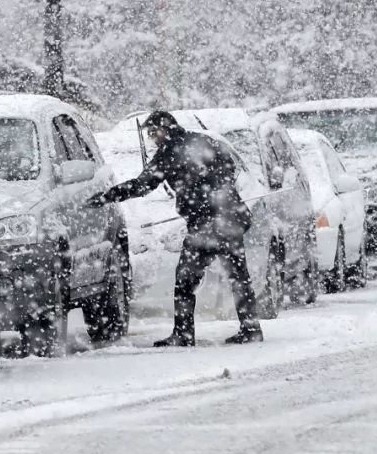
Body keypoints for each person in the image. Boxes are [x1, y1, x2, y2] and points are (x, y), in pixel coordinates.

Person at [85, 110, 264, 347]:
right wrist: (215, 189)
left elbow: (142, 186)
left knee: (184, 281)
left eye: (153, 132)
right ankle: (251, 328)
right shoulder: (204, 141)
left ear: (165, 129)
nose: (152, 137)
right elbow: (230, 166)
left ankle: (183, 333)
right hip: (231, 218)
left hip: (206, 225)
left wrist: (106, 197)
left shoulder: (169, 153)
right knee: (239, 277)